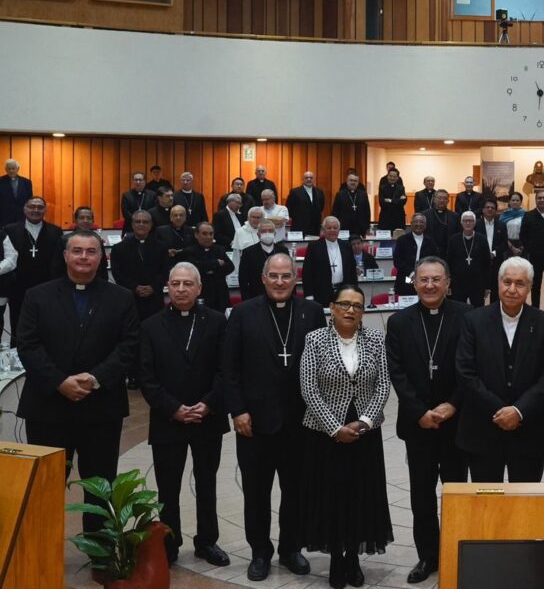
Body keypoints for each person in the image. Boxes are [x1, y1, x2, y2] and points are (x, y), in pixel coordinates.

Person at [15, 230, 138, 533]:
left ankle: (101, 553)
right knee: (46, 483)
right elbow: (27, 344)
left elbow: (130, 345)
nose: (84, 257)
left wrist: (96, 378)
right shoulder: (37, 295)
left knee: (101, 484)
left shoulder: (121, 297)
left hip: (101, 406)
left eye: (91, 251)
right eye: (78, 251)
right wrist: (60, 381)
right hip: (48, 407)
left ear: (102, 257)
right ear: (66, 255)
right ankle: (44, 553)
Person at [221, 252, 326, 581]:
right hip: (254, 422)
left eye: (286, 276)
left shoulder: (311, 313)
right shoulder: (242, 314)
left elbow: (322, 367)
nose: (280, 282)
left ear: (296, 279)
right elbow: (229, 368)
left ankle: (291, 549)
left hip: (300, 422)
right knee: (256, 492)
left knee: (295, 491)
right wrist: (237, 410)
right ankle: (260, 552)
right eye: (274, 276)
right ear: (263, 278)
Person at [299, 284, 392, 589]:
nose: (351, 310)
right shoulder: (314, 340)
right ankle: (337, 558)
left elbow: (383, 386)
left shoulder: (376, 340)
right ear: (332, 307)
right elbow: (308, 389)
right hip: (325, 436)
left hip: (365, 434)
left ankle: (353, 556)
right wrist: (335, 428)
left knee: (360, 496)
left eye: (358, 306)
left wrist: (363, 422)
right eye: (345, 304)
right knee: (331, 496)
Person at [385, 257, 471, 584]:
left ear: (448, 283)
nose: (430, 286)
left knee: (455, 492)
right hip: (417, 425)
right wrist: (419, 411)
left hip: (455, 423)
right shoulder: (399, 322)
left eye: (437, 279)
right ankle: (427, 556)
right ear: (414, 282)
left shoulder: (467, 317)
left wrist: (452, 405)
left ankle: (455, 551)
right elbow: (397, 372)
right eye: (424, 279)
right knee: (421, 494)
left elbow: (469, 368)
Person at [138, 263, 231, 566]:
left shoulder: (217, 322)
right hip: (168, 420)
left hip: (208, 417)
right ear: (167, 285)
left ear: (199, 288)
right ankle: (170, 543)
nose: (181, 289)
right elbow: (146, 378)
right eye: (175, 283)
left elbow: (225, 370)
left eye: (188, 283)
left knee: (207, 483)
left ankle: (207, 541)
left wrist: (209, 403)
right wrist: (173, 408)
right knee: (168, 488)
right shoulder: (150, 325)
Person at [456, 257, 544, 482]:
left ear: (530, 287)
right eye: (507, 282)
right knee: (487, 506)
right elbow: (465, 373)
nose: (512, 289)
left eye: (520, 283)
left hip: (528, 430)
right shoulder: (474, 320)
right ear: (498, 282)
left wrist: (519, 411)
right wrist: (501, 411)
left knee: (525, 508)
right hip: (483, 429)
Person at [3, 197, 64, 331]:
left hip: (47, 286)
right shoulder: (10, 230)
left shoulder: (55, 231)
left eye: (40, 207)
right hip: (17, 287)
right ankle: (16, 350)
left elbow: (58, 262)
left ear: (45, 210)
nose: (35, 210)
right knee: (18, 324)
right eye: (32, 207)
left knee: (46, 324)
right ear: (24, 209)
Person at [110, 209, 168, 328]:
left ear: (151, 225)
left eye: (145, 222)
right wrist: (135, 287)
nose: (141, 224)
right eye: (138, 221)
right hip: (130, 298)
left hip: (154, 298)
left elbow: (165, 271)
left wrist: (152, 287)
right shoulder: (119, 248)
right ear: (132, 224)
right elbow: (117, 273)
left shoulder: (161, 247)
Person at [177, 222, 235, 312]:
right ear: (196, 235)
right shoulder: (189, 251)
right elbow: (194, 269)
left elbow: (230, 267)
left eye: (211, 234)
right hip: (201, 293)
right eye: (204, 234)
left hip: (220, 294)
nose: (208, 237)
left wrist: (208, 269)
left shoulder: (219, 249)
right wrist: (216, 263)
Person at [302, 217, 357, 303]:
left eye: (335, 228)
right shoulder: (314, 247)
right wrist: (309, 296)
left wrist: (354, 292)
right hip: (321, 294)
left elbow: (352, 271)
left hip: (343, 292)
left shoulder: (346, 246)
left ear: (339, 230)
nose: (332, 230)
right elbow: (307, 273)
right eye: (329, 228)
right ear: (323, 230)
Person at [448, 212, 493, 306]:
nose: (468, 223)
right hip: (458, 283)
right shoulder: (453, 240)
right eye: (465, 221)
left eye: (471, 221)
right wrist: (448, 283)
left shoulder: (482, 239)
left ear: (475, 223)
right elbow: (449, 262)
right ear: (461, 223)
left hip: (478, 284)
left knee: (478, 312)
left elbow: (487, 264)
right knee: (458, 310)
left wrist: (487, 286)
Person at [237, 221, 288, 301]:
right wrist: (246, 300)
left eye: (270, 231)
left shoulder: (283, 251)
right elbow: (243, 279)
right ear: (258, 235)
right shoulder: (248, 252)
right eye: (264, 231)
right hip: (256, 297)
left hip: (279, 294)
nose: (267, 233)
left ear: (274, 234)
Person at [394, 213, 438, 296]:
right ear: (411, 224)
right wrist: (412, 273)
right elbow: (397, 261)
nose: (418, 224)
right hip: (406, 278)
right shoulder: (402, 240)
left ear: (425, 225)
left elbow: (434, 260)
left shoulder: (431, 241)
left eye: (421, 222)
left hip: (426, 279)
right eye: (416, 222)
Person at [476, 199, 509, 300]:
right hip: (480, 262)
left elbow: (504, 244)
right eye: (487, 207)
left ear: (496, 211)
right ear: (483, 210)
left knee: (496, 291)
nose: (490, 209)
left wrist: (494, 253)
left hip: (496, 261)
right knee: (479, 291)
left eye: (492, 208)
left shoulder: (502, 225)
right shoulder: (476, 224)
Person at [70, 206, 109, 280]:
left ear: (93, 221)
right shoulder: (65, 240)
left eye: (89, 218)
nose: (85, 221)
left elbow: (102, 266)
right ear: (75, 220)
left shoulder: (97, 240)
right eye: (82, 218)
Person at [286, 170, 325, 236]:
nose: (309, 179)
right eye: (306, 178)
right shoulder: (295, 192)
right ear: (302, 179)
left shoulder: (320, 192)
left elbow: (321, 207)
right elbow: (289, 208)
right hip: (299, 225)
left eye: (311, 178)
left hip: (315, 226)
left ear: (314, 179)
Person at [0, 159, 33, 227]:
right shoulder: (1, 181)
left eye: (13, 168)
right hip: (4, 217)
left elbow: (29, 200)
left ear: (18, 169)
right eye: (9, 169)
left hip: (22, 216)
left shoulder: (26, 182)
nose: (11, 171)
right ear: (6, 169)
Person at [422, 189, 455, 258]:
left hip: (448, 251)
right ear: (434, 199)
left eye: (445, 198)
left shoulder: (455, 216)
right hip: (429, 250)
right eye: (439, 198)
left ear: (448, 201)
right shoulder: (424, 215)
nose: (442, 200)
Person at [377, 166, 408, 231]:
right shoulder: (382, 188)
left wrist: (390, 201)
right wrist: (398, 201)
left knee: (399, 239)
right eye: (390, 176)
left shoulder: (401, 188)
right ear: (387, 176)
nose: (392, 178)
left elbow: (403, 202)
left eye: (394, 176)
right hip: (385, 218)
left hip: (398, 218)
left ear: (397, 178)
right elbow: (381, 203)